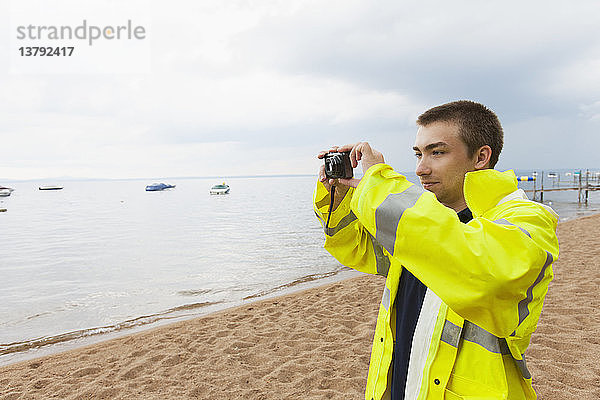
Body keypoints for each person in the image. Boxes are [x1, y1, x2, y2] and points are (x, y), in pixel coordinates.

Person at [313, 100, 559, 400]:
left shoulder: (527, 220)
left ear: (481, 156)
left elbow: (482, 267)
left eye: (437, 152)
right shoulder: (422, 224)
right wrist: (340, 199)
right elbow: (360, 249)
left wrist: (379, 185)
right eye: (418, 154)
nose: (421, 168)